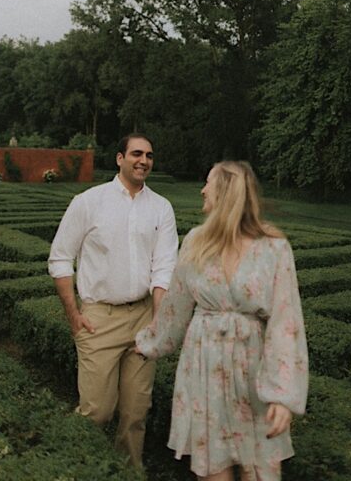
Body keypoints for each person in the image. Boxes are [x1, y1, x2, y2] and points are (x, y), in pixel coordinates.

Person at [134, 160, 309, 481]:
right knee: (213, 470)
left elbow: (287, 324)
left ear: (227, 192)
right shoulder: (196, 242)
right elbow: (175, 306)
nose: (202, 189)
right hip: (204, 371)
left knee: (260, 470)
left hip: (254, 374)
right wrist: (149, 343)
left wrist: (284, 397)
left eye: (208, 183)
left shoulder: (274, 248)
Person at [48, 132, 178, 470]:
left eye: (149, 155)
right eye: (136, 153)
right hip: (99, 318)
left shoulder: (161, 208)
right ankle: (72, 470)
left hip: (142, 317)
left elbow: (164, 267)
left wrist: (158, 322)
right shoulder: (88, 202)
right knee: (96, 411)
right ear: (119, 158)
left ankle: (130, 472)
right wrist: (74, 314)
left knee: (135, 413)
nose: (143, 161)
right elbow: (60, 258)